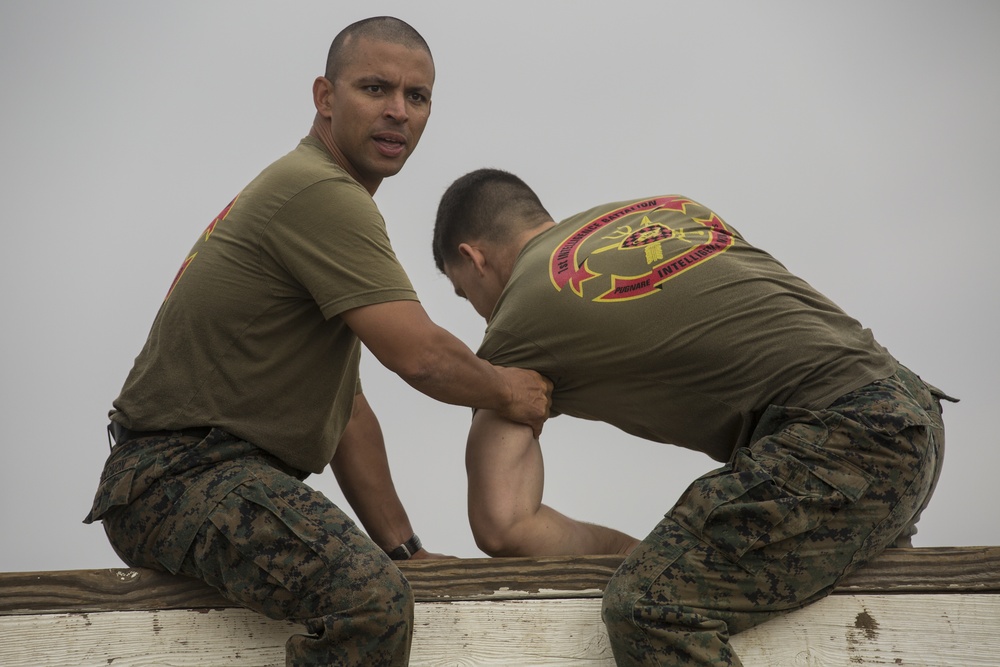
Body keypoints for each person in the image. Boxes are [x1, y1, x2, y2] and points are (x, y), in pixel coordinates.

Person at [85, 20, 551, 667]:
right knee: (368, 599)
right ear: (325, 98)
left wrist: (405, 549)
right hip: (179, 475)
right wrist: (513, 390)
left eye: (417, 97)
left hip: (206, 475)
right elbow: (421, 354)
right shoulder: (321, 193)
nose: (398, 110)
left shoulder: (325, 198)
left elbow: (346, 411)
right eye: (375, 87)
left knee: (383, 580)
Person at [432, 168, 954, 666]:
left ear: (473, 258)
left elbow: (503, 525)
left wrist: (626, 552)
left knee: (650, 605)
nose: (478, 311)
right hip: (909, 411)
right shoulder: (670, 211)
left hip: (841, 442)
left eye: (464, 293)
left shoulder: (515, 325)